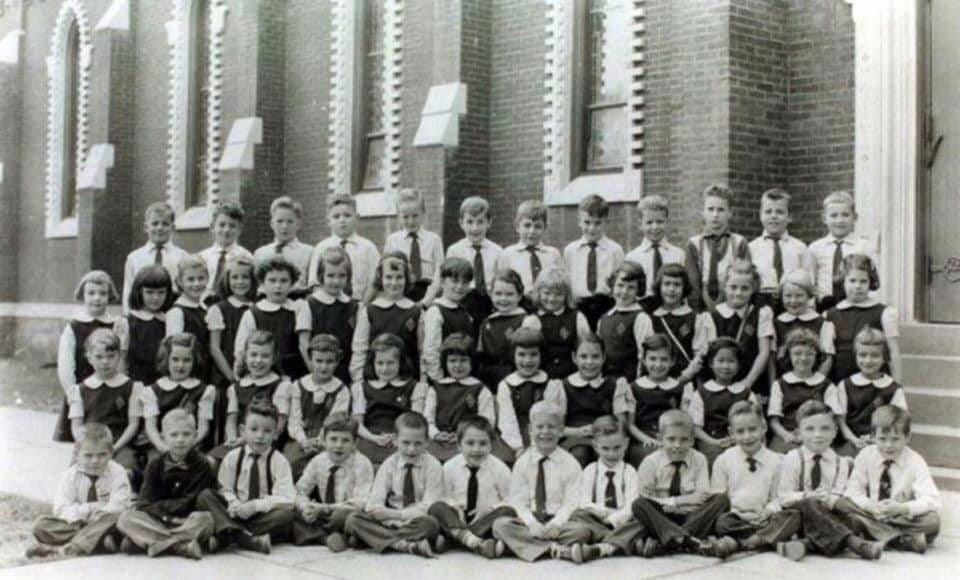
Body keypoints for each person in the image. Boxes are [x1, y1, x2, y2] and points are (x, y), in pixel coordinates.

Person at [773, 400, 884, 561]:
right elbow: (784, 497)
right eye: (809, 429)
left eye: (825, 428)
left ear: (835, 431)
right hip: (801, 518)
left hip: (829, 518)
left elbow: (838, 494)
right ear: (798, 433)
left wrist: (827, 498)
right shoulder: (793, 458)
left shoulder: (841, 463)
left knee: (851, 516)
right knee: (810, 503)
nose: (818, 435)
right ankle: (856, 544)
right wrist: (807, 496)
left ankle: (805, 545)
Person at [833, 406, 941, 554]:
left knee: (932, 521)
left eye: (895, 439)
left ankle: (873, 533)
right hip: (871, 512)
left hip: (899, 516)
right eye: (882, 439)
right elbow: (853, 490)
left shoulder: (915, 461)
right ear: (873, 436)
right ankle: (902, 540)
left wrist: (902, 508)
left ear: (908, 437)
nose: (888, 445)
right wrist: (869, 505)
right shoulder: (866, 455)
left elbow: (932, 499)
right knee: (840, 504)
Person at [196, 402, 296, 554]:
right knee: (205, 496)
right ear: (243, 430)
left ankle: (227, 535)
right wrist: (234, 504)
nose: (260, 436)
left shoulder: (279, 461)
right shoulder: (233, 457)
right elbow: (225, 489)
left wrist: (256, 505)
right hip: (234, 513)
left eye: (267, 431)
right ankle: (246, 539)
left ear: (276, 434)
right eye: (254, 429)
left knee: (286, 514)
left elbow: (287, 498)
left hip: (261, 516)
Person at [629, 410, 731, 558]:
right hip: (661, 517)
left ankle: (670, 541)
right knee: (639, 504)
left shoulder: (699, 459)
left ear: (692, 440)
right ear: (660, 438)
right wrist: (678, 501)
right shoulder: (650, 462)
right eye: (671, 439)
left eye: (684, 440)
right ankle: (688, 540)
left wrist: (677, 507)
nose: (677, 445)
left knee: (721, 500)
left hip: (691, 516)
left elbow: (702, 497)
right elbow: (647, 498)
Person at [116, 410, 217, 559]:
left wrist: (161, 506)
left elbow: (191, 501)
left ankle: (149, 542)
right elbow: (144, 504)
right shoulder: (155, 464)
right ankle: (180, 546)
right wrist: (168, 517)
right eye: (174, 435)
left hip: (186, 521)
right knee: (125, 518)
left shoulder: (202, 464)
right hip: (157, 520)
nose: (180, 440)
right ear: (163, 437)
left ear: (195, 436)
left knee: (206, 520)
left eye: (186, 434)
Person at [492, 402, 583, 562]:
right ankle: (554, 549)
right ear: (530, 430)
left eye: (551, 427)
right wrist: (531, 523)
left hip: (559, 520)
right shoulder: (523, 463)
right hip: (530, 520)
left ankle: (520, 547)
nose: (545, 432)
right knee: (500, 526)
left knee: (582, 531)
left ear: (561, 430)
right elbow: (518, 501)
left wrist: (556, 524)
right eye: (540, 427)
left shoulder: (571, 463)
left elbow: (572, 501)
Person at [344, 412, 444, 558]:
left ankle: (374, 539)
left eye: (418, 443)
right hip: (388, 521)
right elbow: (374, 502)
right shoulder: (389, 464)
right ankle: (406, 545)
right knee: (353, 520)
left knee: (431, 524)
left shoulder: (433, 466)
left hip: (416, 520)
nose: (411, 449)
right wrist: (384, 514)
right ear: (395, 440)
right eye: (406, 443)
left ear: (427, 442)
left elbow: (429, 505)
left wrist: (398, 515)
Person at [28, 424, 132, 559]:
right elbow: (61, 509)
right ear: (77, 454)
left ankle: (68, 549)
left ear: (111, 453)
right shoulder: (70, 476)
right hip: (79, 523)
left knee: (118, 520)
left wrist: (99, 515)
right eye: (88, 456)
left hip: (107, 523)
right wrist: (89, 509)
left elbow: (119, 507)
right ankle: (99, 542)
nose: (95, 461)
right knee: (41, 526)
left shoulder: (118, 473)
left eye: (102, 455)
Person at [710, 401, 799, 558]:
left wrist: (768, 511)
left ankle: (741, 543)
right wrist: (738, 513)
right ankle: (765, 540)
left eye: (752, 429)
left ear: (763, 427)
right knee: (722, 522)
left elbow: (778, 497)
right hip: (735, 518)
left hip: (766, 518)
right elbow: (718, 497)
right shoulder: (724, 460)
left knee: (793, 516)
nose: (747, 436)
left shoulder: (777, 461)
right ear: (731, 433)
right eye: (740, 431)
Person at [558, 416, 647, 564]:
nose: (611, 454)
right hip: (594, 519)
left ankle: (599, 548)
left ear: (626, 443)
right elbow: (584, 502)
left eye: (617, 448)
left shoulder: (630, 472)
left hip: (621, 521)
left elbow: (631, 505)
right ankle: (625, 542)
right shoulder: (590, 470)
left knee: (641, 520)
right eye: (605, 448)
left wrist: (612, 519)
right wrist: (603, 512)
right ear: (595, 446)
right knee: (578, 519)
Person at [55, 270, 129, 442]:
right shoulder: (73, 326)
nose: (97, 298)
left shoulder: (118, 324)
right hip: (82, 393)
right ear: (83, 295)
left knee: (110, 438)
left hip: (110, 390)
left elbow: (121, 360)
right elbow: (65, 365)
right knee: (83, 441)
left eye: (102, 293)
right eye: (91, 293)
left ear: (110, 296)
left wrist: (119, 390)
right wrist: (73, 395)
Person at [427, 416, 514, 558]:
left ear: (491, 445)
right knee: (436, 507)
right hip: (456, 518)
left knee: (507, 511)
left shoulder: (500, 468)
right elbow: (444, 495)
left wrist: (490, 509)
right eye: (470, 443)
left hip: (483, 521)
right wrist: (455, 507)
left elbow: (511, 498)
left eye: (483, 443)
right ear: (459, 445)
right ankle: (475, 542)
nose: (476, 449)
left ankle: (455, 539)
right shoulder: (449, 467)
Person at [292, 412, 374, 549]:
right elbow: (300, 490)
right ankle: (326, 539)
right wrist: (306, 507)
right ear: (324, 440)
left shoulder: (362, 464)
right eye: (333, 439)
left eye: (345, 440)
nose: (339, 445)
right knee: (292, 512)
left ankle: (338, 535)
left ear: (355, 443)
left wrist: (325, 508)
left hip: (343, 513)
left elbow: (361, 502)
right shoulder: (318, 461)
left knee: (345, 517)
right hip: (322, 514)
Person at [66, 329, 143, 473]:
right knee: (75, 475)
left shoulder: (132, 387)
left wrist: (114, 448)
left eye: (111, 356)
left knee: (125, 472)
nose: (105, 361)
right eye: (99, 357)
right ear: (89, 358)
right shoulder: (80, 390)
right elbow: (76, 427)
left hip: (119, 444)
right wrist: (88, 446)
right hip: (89, 445)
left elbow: (133, 424)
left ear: (119, 355)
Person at [826, 327, 908, 457]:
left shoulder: (893, 389)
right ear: (856, 356)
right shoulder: (845, 385)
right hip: (850, 443)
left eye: (875, 355)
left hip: (882, 443)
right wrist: (854, 440)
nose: (868, 361)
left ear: (884, 357)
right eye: (862, 355)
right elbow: (841, 422)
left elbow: (898, 422)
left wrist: (876, 440)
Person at [544, 335, 622, 466]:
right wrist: (577, 432)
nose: (589, 362)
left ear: (603, 357)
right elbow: (557, 427)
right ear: (574, 358)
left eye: (595, 356)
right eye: (583, 357)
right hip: (574, 439)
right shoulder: (563, 386)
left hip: (605, 440)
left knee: (605, 454)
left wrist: (608, 430)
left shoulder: (613, 385)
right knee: (580, 453)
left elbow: (621, 423)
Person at [351, 333, 428, 465]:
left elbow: (415, 421)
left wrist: (398, 438)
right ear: (373, 363)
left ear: (401, 362)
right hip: (369, 439)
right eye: (380, 363)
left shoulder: (414, 387)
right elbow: (357, 424)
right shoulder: (362, 388)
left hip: (401, 441)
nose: (385, 368)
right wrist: (374, 438)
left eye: (390, 363)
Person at [825, 254, 901, 383]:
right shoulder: (831, 315)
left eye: (863, 281)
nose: (858, 286)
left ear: (870, 282)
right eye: (852, 281)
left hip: (875, 382)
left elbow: (893, 352)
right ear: (843, 281)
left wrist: (897, 384)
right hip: (841, 381)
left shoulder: (884, 313)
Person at [284, 334, 352, 478]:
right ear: (310, 359)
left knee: (331, 467)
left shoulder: (341, 390)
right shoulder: (298, 386)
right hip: (300, 439)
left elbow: (335, 422)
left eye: (329, 361)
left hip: (329, 440)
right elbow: (294, 421)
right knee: (290, 464)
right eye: (319, 361)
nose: (323, 366)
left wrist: (320, 441)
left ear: (337, 361)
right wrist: (304, 441)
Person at [205, 256, 257, 443]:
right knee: (226, 420)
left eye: (245, 277)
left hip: (252, 373)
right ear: (226, 280)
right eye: (235, 277)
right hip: (225, 376)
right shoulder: (219, 309)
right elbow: (215, 347)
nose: (240, 282)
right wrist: (231, 376)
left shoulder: (256, 307)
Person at [350, 252, 424, 382]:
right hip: (375, 380)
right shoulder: (369, 311)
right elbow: (359, 349)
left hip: (407, 381)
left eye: (399, 277)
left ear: (407, 279)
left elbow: (422, 351)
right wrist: (358, 381)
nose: (394, 283)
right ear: (380, 279)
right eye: (388, 277)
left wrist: (423, 380)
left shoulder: (416, 311)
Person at [234, 256, 311, 380]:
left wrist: (313, 373)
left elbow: (304, 344)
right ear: (262, 283)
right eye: (272, 280)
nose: (278, 286)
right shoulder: (252, 313)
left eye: (284, 281)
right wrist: (239, 374)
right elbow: (241, 349)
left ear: (292, 283)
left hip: (295, 372)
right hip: (263, 373)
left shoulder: (299, 307)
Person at [215, 331, 291, 457]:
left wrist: (245, 440)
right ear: (245, 357)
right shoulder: (236, 388)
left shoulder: (281, 386)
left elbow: (279, 425)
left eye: (265, 356)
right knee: (211, 461)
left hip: (265, 443)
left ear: (273, 359)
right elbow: (231, 419)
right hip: (238, 442)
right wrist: (232, 438)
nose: (258, 360)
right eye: (253, 355)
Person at [616, 334, 687, 466]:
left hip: (672, 438)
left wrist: (671, 440)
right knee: (648, 456)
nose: (658, 364)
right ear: (643, 360)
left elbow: (682, 422)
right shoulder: (634, 388)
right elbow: (631, 425)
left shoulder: (679, 388)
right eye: (652, 359)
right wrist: (646, 439)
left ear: (672, 361)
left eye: (664, 359)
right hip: (643, 438)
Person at [684, 338, 757, 464]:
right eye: (721, 361)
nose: (726, 366)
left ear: (739, 365)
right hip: (710, 444)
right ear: (711, 363)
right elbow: (695, 428)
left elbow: (756, 422)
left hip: (741, 443)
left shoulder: (746, 393)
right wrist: (714, 442)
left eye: (731, 361)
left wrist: (740, 439)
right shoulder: (702, 393)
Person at [424, 334, 496, 462]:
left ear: (472, 362)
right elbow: (427, 419)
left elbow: (487, 421)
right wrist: (435, 434)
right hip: (438, 441)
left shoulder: (480, 389)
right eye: (452, 361)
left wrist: (463, 435)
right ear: (445, 362)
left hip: (468, 441)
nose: (458, 365)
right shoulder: (436, 388)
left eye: (463, 360)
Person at [709, 259, 774, 400]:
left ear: (753, 289)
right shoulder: (712, 315)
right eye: (733, 287)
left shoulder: (761, 313)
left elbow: (764, 352)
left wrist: (747, 383)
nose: (738, 293)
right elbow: (711, 355)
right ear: (724, 287)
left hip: (752, 381)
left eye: (745, 288)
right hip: (721, 381)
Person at [140, 333, 215, 454]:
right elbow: (151, 426)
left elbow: (203, 427)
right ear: (166, 359)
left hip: (191, 446)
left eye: (187, 360)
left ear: (194, 361)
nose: (180, 365)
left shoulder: (203, 391)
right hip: (161, 446)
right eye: (175, 359)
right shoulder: (153, 391)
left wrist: (187, 446)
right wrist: (161, 446)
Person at [806, 191, 877, 311]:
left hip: (857, 306)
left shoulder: (864, 246)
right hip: (824, 306)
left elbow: (872, 280)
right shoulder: (815, 248)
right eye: (834, 215)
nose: (840, 220)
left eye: (845, 215)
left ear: (855, 217)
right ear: (824, 218)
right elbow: (810, 281)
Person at [685, 184, 751, 311]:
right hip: (703, 309)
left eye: (721, 210)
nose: (715, 214)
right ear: (703, 212)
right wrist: (698, 313)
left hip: (734, 308)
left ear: (730, 213)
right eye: (710, 209)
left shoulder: (739, 243)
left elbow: (746, 281)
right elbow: (693, 285)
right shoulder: (694, 244)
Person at [562, 194, 623, 330]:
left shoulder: (615, 250)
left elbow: (618, 282)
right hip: (578, 306)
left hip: (606, 305)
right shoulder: (570, 250)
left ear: (606, 222)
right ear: (579, 221)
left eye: (597, 223)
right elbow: (567, 280)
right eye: (587, 222)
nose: (592, 228)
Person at [767, 329, 833, 453]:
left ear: (817, 356)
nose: (803, 358)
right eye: (797, 353)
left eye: (809, 354)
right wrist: (786, 435)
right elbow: (774, 421)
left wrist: (808, 436)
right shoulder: (780, 384)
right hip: (785, 438)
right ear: (789, 356)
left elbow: (831, 418)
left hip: (816, 437)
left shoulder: (826, 385)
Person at [445, 196, 502, 336]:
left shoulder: (498, 251)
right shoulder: (455, 250)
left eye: (480, 222)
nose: (475, 228)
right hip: (463, 302)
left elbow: (500, 281)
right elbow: (450, 282)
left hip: (490, 304)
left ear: (489, 223)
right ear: (461, 223)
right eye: (469, 222)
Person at [521, 267, 591, 380]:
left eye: (558, 294)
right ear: (539, 292)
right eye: (547, 293)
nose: (552, 299)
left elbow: (586, 348)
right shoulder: (532, 320)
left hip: (572, 377)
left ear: (566, 295)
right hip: (541, 377)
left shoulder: (577, 317)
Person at [648, 264, 714, 384]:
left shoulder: (696, 318)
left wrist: (684, 378)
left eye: (677, 284)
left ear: (684, 288)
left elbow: (699, 354)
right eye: (667, 284)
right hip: (656, 379)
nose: (671, 289)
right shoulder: (651, 318)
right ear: (659, 286)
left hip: (686, 380)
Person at [307, 192, 380, 300]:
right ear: (328, 221)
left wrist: (363, 304)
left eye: (347, 215)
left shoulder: (368, 248)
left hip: (360, 302)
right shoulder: (321, 248)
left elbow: (375, 282)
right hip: (328, 304)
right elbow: (315, 283)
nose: (342, 220)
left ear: (357, 218)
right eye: (336, 217)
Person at [121, 202, 189, 314]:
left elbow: (185, 291)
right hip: (143, 315)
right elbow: (128, 291)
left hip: (173, 313)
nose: (160, 227)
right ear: (146, 227)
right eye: (155, 223)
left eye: (165, 224)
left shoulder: (183, 257)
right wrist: (128, 316)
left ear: (173, 227)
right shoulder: (134, 258)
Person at [306, 246, 360, 386]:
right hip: (317, 372)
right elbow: (304, 343)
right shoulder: (310, 304)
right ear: (321, 276)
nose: (336, 281)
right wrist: (315, 373)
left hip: (344, 372)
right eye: (330, 276)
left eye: (342, 276)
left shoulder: (354, 307)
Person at [748, 188, 808, 312]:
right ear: (760, 215)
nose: (773, 216)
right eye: (768, 211)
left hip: (793, 303)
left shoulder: (800, 248)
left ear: (789, 217)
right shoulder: (751, 248)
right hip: (761, 304)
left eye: (779, 212)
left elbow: (808, 281)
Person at [495, 327, 550, 459]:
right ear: (513, 355)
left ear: (541, 355)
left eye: (533, 354)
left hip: (543, 436)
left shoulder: (550, 384)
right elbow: (507, 420)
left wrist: (535, 447)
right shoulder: (505, 385)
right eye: (521, 354)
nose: (527, 360)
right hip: (511, 439)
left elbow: (550, 418)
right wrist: (518, 447)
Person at [383, 188, 445, 304]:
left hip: (428, 291)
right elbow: (387, 272)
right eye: (405, 217)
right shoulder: (392, 240)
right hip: (401, 291)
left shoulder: (434, 240)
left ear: (423, 214)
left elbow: (439, 273)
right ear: (398, 217)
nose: (411, 221)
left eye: (415, 216)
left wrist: (428, 299)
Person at [420, 257, 476, 383]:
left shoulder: (464, 311)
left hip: (463, 377)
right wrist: (438, 380)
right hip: (443, 380)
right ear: (442, 281)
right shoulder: (436, 311)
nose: (460, 286)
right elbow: (430, 351)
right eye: (454, 281)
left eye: (465, 282)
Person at [596, 261, 654, 382]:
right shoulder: (604, 319)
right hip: (606, 383)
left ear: (638, 290)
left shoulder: (641, 318)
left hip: (630, 382)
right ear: (612, 285)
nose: (624, 291)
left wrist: (638, 384)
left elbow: (645, 355)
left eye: (631, 287)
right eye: (620, 285)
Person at [771, 269, 834, 379]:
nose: (793, 301)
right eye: (788, 296)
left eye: (799, 295)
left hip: (814, 381)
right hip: (784, 383)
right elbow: (772, 360)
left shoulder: (822, 323)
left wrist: (817, 383)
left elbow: (827, 359)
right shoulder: (776, 323)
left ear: (809, 296)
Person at [496, 200, 562, 302]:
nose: (532, 231)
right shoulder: (507, 254)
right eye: (527, 225)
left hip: (547, 302)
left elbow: (559, 282)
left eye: (537, 226)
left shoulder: (553, 254)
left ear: (545, 228)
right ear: (517, 226)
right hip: (519, 303)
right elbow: (502, 284)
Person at [476, 269, 530, 390]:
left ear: (519, 295)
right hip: (489, 379)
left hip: (516, 378)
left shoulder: (525, 321)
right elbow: (481, 355)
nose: (503, 299)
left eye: (509, 294)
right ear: (490, 294)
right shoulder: (487, 323)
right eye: (498, 294)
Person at [625, 194, 685, 300]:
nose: (655, 227)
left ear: (667, 222)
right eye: (649, 222)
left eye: (659, 222)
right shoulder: (632, 258)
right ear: (640, 224)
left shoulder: (679, 255)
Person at [253, 196, 314, 296]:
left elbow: (311, 285)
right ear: (272, 224)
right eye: (279, 221)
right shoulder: (260, 253)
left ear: (298, 224)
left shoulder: (309, 252)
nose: (284, 226)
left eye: (290, 222)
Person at [125, 265, 176, 386]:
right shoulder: (129, 321)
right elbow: (122, 359)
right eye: (149, 292)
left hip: (163, 383)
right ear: (139, 292)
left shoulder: (169, 320)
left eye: (161, 292)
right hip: (137, 382)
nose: (155, 298)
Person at [197, 201, 253, 295]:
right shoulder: (202, 257)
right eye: (222, 225)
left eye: (232, 226)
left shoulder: (246, 257)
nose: (226, 230)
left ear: (240, 230)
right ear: (212, 227)